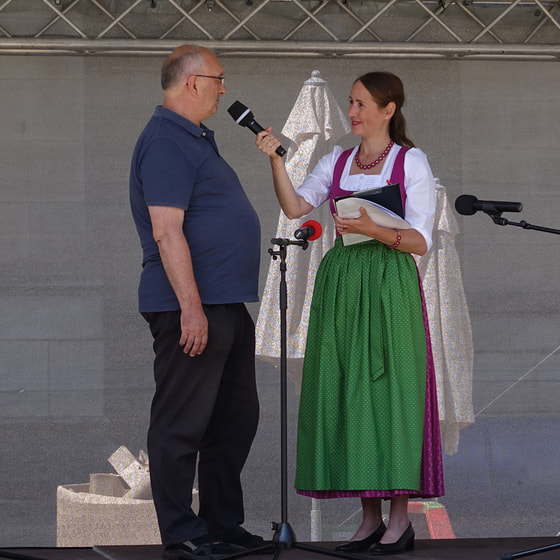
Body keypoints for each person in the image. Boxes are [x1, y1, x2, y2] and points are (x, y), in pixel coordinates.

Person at [255, 71, 444, 556]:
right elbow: (296, 206)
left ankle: (400, 520)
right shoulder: (337, 160)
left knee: (393, 391)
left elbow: (421, 241)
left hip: (390, 281)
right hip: (342, 281)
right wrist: (278, 162)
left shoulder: (410, 161)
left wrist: (372, 227)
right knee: (349, 390)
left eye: (362, 104)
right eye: (351, 102)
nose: (353, 112)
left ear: (389, 109)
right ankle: (368, 520)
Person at [129, 45, 265, 560]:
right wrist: (191, 307)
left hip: (225, 301)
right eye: (218, 79)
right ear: (192, 82)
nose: (223, 88)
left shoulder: (196, 139)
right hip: (191, 304)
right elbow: (167, 231)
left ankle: (222, 524)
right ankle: (182, 533)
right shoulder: (166, 140)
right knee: (181, 420)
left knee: (236, 416)